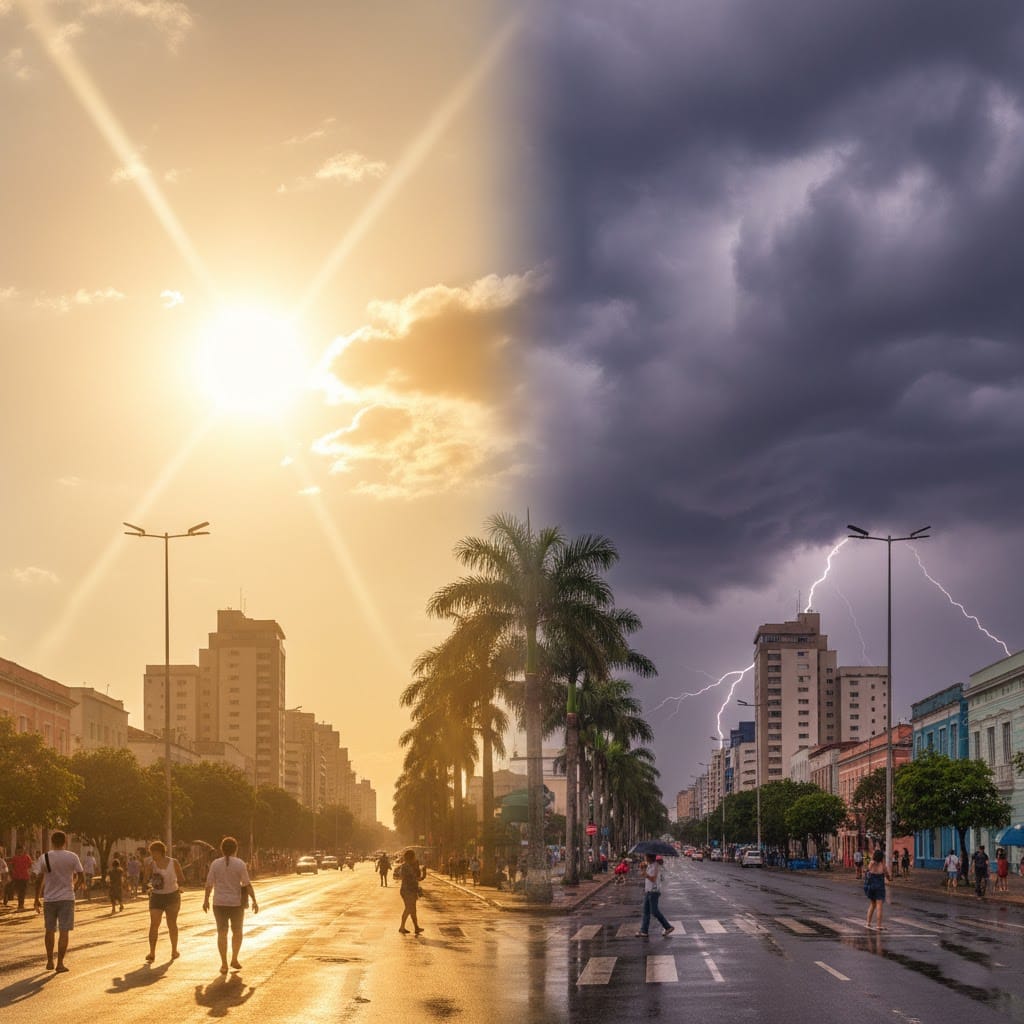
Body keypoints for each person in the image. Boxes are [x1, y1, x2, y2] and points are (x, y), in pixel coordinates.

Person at [203, 836, 258, 974]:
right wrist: (254, 901)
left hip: (219, 903)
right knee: (237, 932)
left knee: (222, 933)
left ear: (221, 849)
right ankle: (234, 958)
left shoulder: (215, 864)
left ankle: (224, 964)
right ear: (236, 849)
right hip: (236, 904)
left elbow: (209, 884)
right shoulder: (240, 864)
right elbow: (247, 884)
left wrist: (205, 900)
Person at [33, 831, 84, 972]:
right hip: (67, 898)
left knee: (49, 930)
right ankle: (60, 963)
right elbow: (81, 877)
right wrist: (74, 888)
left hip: (49, 899)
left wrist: (37, 898)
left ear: (52, 841)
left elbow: (39, 879)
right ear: (65, 841)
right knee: (64, 931)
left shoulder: (45, 857)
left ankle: (49, 961)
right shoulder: (72, 857)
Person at [142, 840, 185, 962]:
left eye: (153, 853)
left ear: (160, 852)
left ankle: (174, 950)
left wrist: (179, 886)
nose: (152, 856)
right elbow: (145, 880)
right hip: (156, 896)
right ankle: (152, 953)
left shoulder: (174, 862)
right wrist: (148, 885)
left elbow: (181, 878)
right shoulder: (151, 865)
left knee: (172, 924)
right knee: (154, 924)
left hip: (172, 896)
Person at [636, 852, 674, 937]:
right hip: (648, 891)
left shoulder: (656, 866)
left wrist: (646, 875)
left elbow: (653, 879)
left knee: (654, 911)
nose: (645, 857)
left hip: (654, 892)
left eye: (646, 856)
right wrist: (643, 869)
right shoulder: (649, 865)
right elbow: (647, 875)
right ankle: (644, 931)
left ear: (650, 857)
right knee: (646, 912)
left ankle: (668, 927)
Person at [396, 849, 425, 935]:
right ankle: (402, 927)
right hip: (407, 891)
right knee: (409, 909)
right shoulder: (407, 867)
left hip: (409, 890)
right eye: (414, 856)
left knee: (412, 910)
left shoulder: (408, 866)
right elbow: (415, 878)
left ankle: (416, 927)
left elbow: (415, 878)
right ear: (411, 857)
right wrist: (423, 874)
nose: (415, 858)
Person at [864, 849, 891, 930]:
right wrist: (889, 879)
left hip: (871, 886)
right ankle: (878, 925)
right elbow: (887, 874)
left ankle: (868, 923)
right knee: (879, 906)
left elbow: (867, 870)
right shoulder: (882, 865)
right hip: (879, 886)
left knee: (872, 904)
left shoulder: (872, 863)